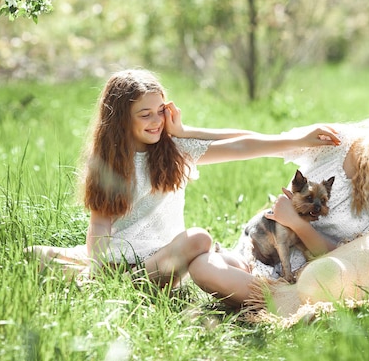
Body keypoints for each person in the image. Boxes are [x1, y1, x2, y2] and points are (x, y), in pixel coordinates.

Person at [25, 69, 340, 289]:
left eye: (160, 111)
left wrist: (296, 138)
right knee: (30, 256)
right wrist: (96, 268)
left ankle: (126, 288)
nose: (156, 121)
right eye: (144, 114)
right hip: (117, 259)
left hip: (161, 260)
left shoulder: (175, 150)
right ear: (120, 120)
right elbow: (100, 225)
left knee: (199, 238)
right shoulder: (107, 164)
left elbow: (242, 143)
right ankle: (105, 281)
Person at [187, 96, 369, 313]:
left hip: (306, 278)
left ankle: (277, 303)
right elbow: (260, 141)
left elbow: (345, 258)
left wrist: (295, 222)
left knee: (306, 287)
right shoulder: (339, 142)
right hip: (260, 251)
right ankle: (267, 306)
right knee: (203, 266)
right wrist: (186, 132)